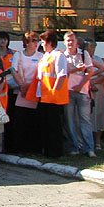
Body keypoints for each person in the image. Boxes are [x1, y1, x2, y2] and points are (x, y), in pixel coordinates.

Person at [36, 30, 69, 159]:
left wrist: (54, 92)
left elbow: (61, 76)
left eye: (43, 42)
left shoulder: (58, 55)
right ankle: (47, 150)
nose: (42, 44)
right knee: (46, 126)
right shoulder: (45, 56)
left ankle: (55, 152)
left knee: (54, 126)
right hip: (44, 96)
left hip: (53, 98)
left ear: (50, 42)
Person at [63, 31, 96, 157]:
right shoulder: (62, 56)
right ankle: (74, 148)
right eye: (68, 40)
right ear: (65, 42)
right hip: (67, 91)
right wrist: (77, 69)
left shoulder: (84, 54)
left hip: (82, 91)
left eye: (72, 40)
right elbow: (63, 73)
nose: (70, 43)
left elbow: (90, 71)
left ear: (77, 42)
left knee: (85, 120)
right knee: (69, 120)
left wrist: (80, 86)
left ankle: (89, 149)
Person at [9, 31, 43, 154]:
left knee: (34, 121)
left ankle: (33, 148)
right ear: (26, 42)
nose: (36, 43)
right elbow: (13, 70)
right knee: (20, 120)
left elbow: (41, 73)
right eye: (33, 40)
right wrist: (22, 85)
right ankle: (19, 148)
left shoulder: (40, 56)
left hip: (34, 90)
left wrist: (29, 86)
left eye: (37, 40)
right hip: (21, 91)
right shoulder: (18, 55)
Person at [84, 37, 104, 149]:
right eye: (90, 47)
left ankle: (98, 142)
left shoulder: (98, 59)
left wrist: (93, 82)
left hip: (97, 89)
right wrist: (89, 84)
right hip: (85, 89)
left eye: (94, 47)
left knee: (98, 114)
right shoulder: (82, 59)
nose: (92, 50)